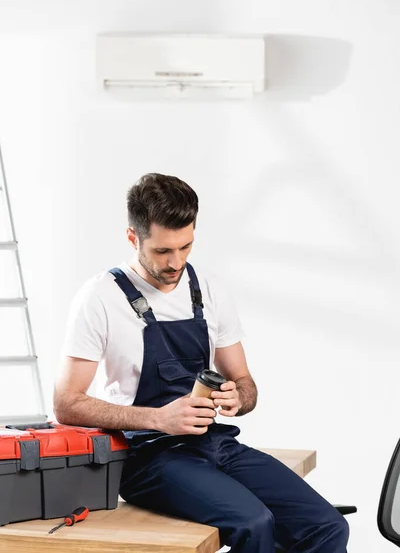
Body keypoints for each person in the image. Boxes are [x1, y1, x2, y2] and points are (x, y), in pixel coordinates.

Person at [54, 173, 349, 553]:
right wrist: (158, 418)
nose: (176, 262)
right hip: (146, 457)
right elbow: (65, 403)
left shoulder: (208, 289)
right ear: (133, 238)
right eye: (163, 251)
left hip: (210, 443)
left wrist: (237, 398)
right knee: (253, 524)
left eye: (185, 247)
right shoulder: (99, 297)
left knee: (326, 527)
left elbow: (244, 381)